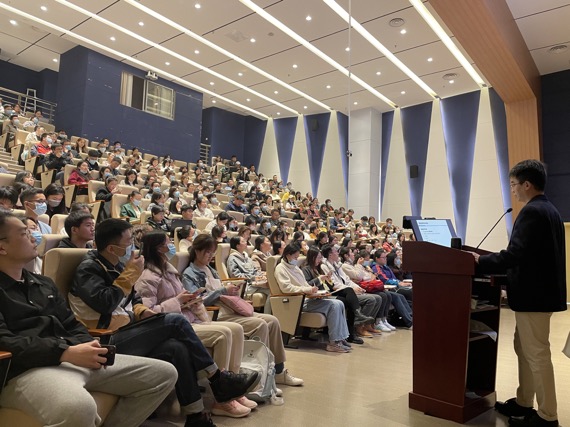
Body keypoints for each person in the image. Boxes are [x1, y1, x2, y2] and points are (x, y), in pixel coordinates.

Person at [69, 219, 259, 427]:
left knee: (177, 348)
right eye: (129, 242)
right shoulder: (88, 269)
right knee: (176, 321)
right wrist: (130, 275)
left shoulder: (117, 266)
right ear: (112, 248)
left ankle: (195, 416)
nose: (133, 247)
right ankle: (218, 379)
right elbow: (105, 302)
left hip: (127, 329)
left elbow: (134, 300)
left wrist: (142, 311)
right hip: (105, 339)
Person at [0, 211, 178, 427]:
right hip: (26, 370)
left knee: (163, 374)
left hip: (71, 357)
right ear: (2, 247)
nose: (33, 236)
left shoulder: (43, 283)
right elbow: (5, 341)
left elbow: (70, 323)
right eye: (24, 233)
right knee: (80, 407)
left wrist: (87, 344)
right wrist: (64, 352)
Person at [470, 160, 566, 427]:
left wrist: (481, 261)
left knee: (536, 354)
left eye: (513, 184)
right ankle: (524, 402)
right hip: (539, 295)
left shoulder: (533, 211)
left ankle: (547, 416)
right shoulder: (549, 210)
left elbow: (515, 255)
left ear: (527, 184)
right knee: (524, 349)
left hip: (534, 297)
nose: (512, 189)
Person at [134, 231, 257, 418]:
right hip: (173, 328)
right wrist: (178, 301)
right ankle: (221, 400)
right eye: (167, 243)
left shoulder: (170, 271)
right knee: (223, 334)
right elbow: (147, 314)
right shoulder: (148, 277)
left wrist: (191, 299)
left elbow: (180, 297)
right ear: (158, 249)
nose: (171, 246)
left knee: (236, 329)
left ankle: (233, 391)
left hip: (188, 318)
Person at [182, 234, 304, 388]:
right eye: (207, 252)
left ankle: (278, 372)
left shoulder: (211, 270)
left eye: (212, 252)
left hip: (229, 308)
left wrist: (231, 292)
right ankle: (259, 378)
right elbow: (196, 301)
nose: (211, 256)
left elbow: (221, 291)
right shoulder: (189, 274)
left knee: (272, 321)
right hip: (216, 313)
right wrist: (222, 291)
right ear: (197, 251)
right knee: (260, 325)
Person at [275, 243, 351, 353]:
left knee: (339, 303)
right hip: (297, 301)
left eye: (297, 257)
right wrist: (307, 290)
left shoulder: (295, 268)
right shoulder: (280, 268)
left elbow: (305, 284)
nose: (296, 260)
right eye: (295, 257)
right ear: (287, 255)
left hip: (306, 297)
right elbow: (286, 288)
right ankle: (333, 343)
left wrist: (314, 290)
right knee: (334, 305)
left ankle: (341, 338)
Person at [320, 244, 382, 339]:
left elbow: (347, 280)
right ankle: (359, 325)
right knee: (371, 299)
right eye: (335, 251)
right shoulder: (324, 266)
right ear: (330, 254)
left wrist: (357, 287)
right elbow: (334, 284)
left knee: (378, 298)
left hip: (348, 290)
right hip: (339, 292)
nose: (338, 253)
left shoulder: (337, 265)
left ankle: (366, 324)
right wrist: (352, 289)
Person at [226, 236, 271, 314]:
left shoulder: (247, 257)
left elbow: (255, 270)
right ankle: (268, 314)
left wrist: (260, 276)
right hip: (246, 285)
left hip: (255, 282)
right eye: (243, 241)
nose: (246, 242)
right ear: (238, 246)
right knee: (272, 290)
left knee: (273, 289)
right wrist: (253, 277)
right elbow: (235, 276)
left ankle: (269, 314)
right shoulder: (232, 258)